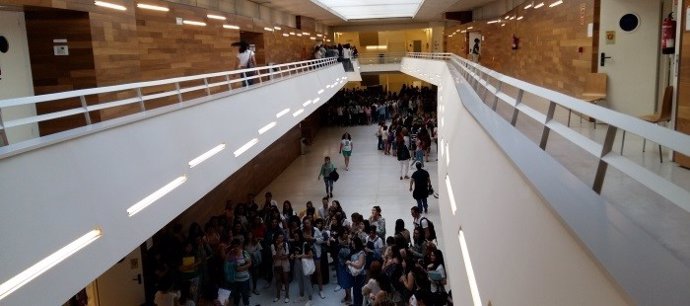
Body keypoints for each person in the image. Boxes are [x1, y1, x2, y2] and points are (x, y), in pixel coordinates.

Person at [228, 239, 252, 306]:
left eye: (237, 246)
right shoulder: (231, 254)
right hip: (234, 279)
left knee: (245, 295)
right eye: (234, 246)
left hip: (244, 279)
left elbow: (250, 263)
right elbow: (228, 263)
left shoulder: (244, 253)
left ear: (240, 246)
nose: (235, 248)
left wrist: (241, 268)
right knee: (236, 295)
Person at [272, 232, 291, 303]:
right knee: (278, 280)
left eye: (282, 237)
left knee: (286, 280)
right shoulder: (273, 245)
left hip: (285, 264)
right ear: (276, 238)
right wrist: (278, 249)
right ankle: (277, 296)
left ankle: (287, 296)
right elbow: (274, 257)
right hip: (277, 264)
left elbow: (287, 256)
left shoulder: (285, 244)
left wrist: (279, 257)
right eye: (279, 237)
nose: (281, 239)